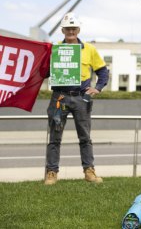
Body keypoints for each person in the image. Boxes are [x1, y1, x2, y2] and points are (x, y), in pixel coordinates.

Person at [44, 12, 109, 185]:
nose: (71, 31)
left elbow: (103, 71)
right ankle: (51, 173)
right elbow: (45, 71)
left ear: (78, 29)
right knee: (54, 137)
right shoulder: (55, 48)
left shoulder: (89, 49)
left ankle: (89, 171)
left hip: (82, 98)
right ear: (62, 30)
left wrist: (98, 88)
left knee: (85, 137)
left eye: (73, 28)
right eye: (67, 28)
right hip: (59, 98)